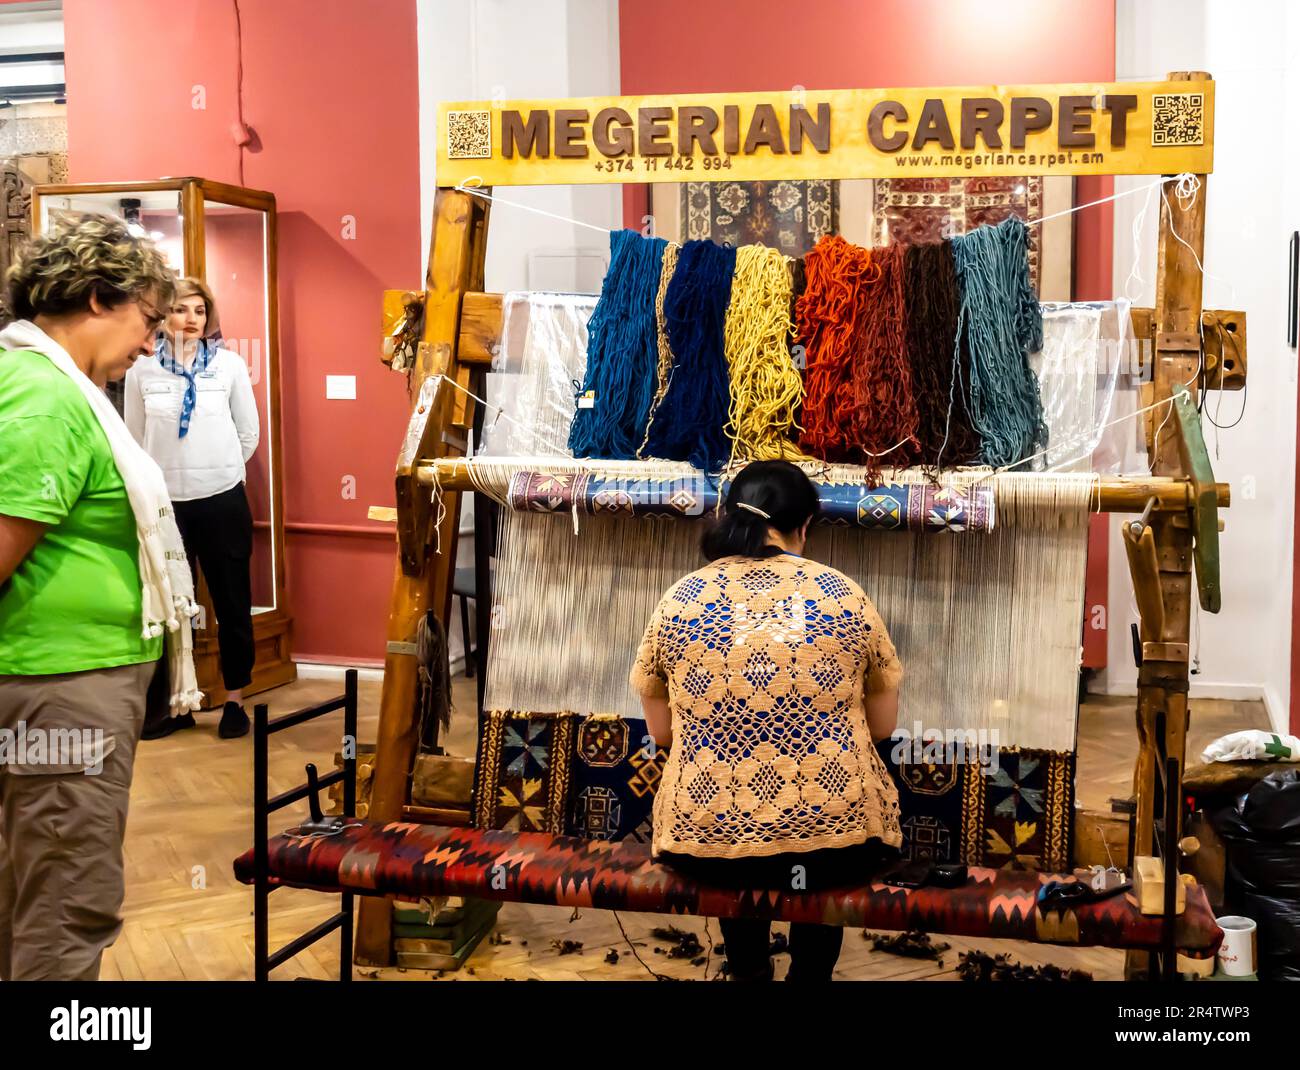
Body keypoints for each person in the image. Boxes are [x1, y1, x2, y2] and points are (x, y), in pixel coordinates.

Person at [0, 214, 200, 980]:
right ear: (94, 297)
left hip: (58, 680)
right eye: (147, 318)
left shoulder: (52, 387)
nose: (151, 341)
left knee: (34, 886)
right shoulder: (47, 399)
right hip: (57, 686)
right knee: (64, 897)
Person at [630, 459, 904, 982]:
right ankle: (811, 975)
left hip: (705, 846)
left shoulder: (681, 600)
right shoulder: (843, 595)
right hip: (835, 849)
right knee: (825, 847)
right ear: (804, 526)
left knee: (738, 862)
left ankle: (749, 969)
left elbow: (662, 734)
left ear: (730, 518)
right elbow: (884, 726)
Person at [126, 278, 260, 740]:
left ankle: (235, 700)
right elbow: (135, 440)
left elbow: (248, 434)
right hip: (165, 508)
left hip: (222, 500)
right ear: (163, 316)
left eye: (199, 311)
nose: (191, 319)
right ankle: (177, 703)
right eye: (181, 310)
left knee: (231, 604)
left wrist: (217, 472)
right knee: (171, 606)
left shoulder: (229, 366)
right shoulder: (141, 373)